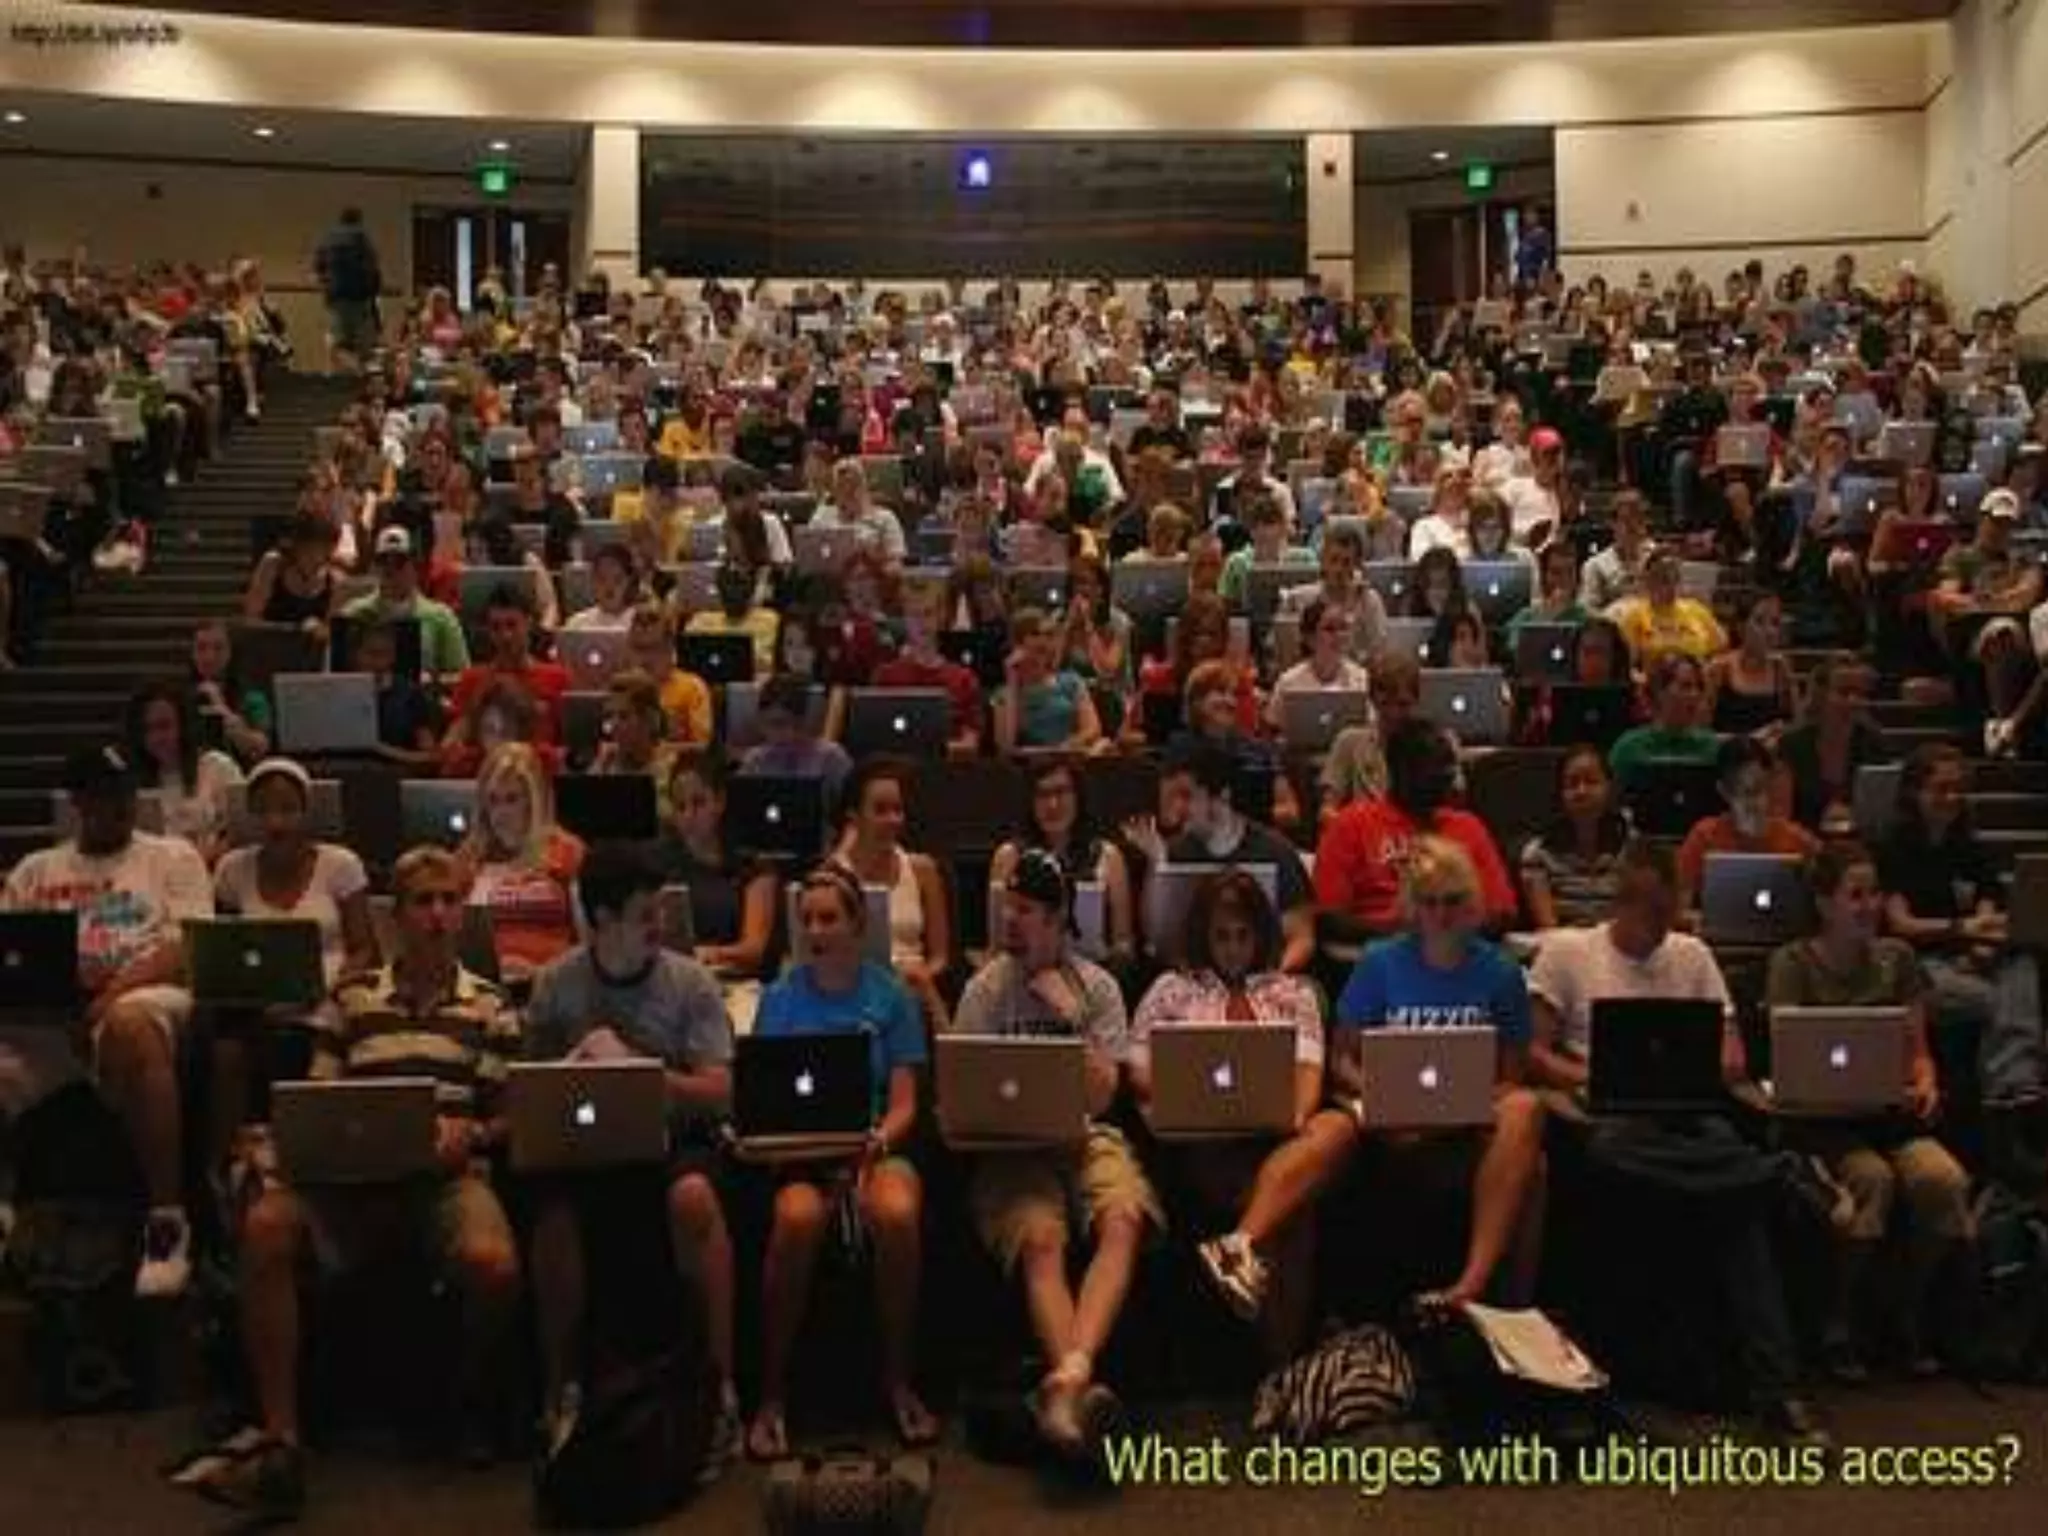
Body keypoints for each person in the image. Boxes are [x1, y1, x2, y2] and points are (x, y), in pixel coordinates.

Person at [185, 848, 521, 1518]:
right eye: (423, 902)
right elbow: (320, 1089)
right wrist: (304, 1136)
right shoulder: (352, 996)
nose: (437, 915)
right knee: (267, 1226)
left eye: (449, 901)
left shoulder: (490, 1001)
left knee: (494, 1264)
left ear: (462, 914)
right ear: (399, 916)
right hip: (350, 1178)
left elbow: (510, 1113)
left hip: (446, 1178)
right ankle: (281, 1439)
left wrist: (474, 1134)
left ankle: (467, 1401)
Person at [1526, 840, 1827, 1446]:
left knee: (1734, 1202)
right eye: (1654, 914)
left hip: (1686, 1113)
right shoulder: (1567, 953)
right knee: (1636, 1155)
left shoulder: (1692, 955)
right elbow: (1533, 1052)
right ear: (1622, 904)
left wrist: (1691, 1067)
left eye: (1672, 911)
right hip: (1606, 1114)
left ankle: (1778, 1390)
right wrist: (1593, 1074)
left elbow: (1733, 1057)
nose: (1665, 927)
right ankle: (1775, 1173)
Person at [523, 842, 742, 1474]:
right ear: (602, 920)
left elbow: (720, 1092)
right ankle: (561, 1393)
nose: (660, 925)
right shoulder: (556, 985)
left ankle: (720, 1390)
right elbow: (530, 1092)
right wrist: (576, 1068)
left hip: (675, 1140)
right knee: (554, 1217)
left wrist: (639, 1073)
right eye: (646, 914)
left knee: (694, 1199)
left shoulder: (690, 982)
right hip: (586, 1146)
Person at [946, 849, 1162, 1451]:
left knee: (1123, 1217)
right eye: (1007, 908)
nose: (1010, 922)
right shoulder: (986, 990)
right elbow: (961, 1097)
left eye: (1025, 911)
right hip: (1012, 1146)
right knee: (1042, 1239)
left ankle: (1069, 1379)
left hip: (1085, 1135)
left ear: (1058, 919)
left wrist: (1069, 1020)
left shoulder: (1098, 987)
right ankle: (1080, 1390)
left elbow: (1103, 1096)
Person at [1, 745, 213, 1298]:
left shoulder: (172, 856)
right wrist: (59, 994)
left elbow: (186, 947)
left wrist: (110, 992)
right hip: (55, 1015)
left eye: (122, 794)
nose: (114, 805)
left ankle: (166, 1223)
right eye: (99, 795)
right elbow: (12, 954)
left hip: (147, 996)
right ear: (77, 803)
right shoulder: (36, 870)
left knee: (129, 1023)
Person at [746, 864, 934, 1459]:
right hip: (802, 1152)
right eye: (806, 920)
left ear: (857, 925)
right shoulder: (779, 999)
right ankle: (772, 1393)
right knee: (797, 1218)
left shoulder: (891, 996)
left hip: (875, 1143)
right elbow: (763, 1100)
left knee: (896, 1212)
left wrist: (875, 1143)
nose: (815, 930)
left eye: (828, 918)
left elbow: (905, 1104)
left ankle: (899, 1379)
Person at [1764, 843, 1972, 1380]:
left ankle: (1905, 1308)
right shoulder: (1792, 964)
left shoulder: (1896, 959)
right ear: (1824, 903)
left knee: (1943, 1181)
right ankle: (1838, 1320)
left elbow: (1918, 1049)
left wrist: (1925, 1080)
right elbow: (1790, 1062)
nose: (1869, 906)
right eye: (1855, 895)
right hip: (1823, 1126)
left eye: (1874, 894)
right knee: (1871, 1180)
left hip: (1890, 1115)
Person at [1132, 870, 1354, 1357]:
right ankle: (1281, 1368)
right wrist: (1196, 1093)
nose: (1233, 949)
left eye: (1242, 936)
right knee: (1293, 1207)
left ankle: (1239, 1244)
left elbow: (1308, 1080)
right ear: (1202, 936)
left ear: (1260, 936)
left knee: (1336, 1126)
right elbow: (1139, 1072)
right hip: (1206, 1144)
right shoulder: (1172, 990)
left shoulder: (1292, 993)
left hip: (1278, 1137)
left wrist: (1286, 1114)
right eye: (1221, 937)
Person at [1330, 837, 1547, 1312]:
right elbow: (1341, 1059)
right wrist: (1379, 1089)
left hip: (1471, 1120)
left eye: (1453, 901)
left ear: (1472, 903)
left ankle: (1478, 1285)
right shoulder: (1379, 963)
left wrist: (1463, 1108)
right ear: (1412, 906)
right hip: (1395, 1118)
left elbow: (1512, 1075)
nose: (1442, 915)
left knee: (1527, 1114)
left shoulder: (1501, 973)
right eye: (1429, 902)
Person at [1316, 717, 1516, 938]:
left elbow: (1502, 913)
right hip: (1378, 946)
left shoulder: (1468, 825)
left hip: (1460, 945)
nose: (1447, 781)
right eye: (1434, 771)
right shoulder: (1351, 824)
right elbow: (1330, 918)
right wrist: (1410, 935)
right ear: (1400, 770)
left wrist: (1442, 932)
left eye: (1449, 771)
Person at [1149, 742, 1316, 973]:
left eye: (1187, 796)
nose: (1176, 809)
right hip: (1198, 982)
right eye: (1170, 798)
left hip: (1267, 977)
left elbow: (1301, 939)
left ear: (1221, 796)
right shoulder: (1176, 853)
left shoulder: (1276, 851)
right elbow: (1162, 941)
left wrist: (1273, 978)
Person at [213, 758, 376, 991]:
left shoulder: (342, 864)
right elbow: (223, 948)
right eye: (262, 810)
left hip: (332, 991)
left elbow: (364, 950)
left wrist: (338, 984)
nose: (275, 822)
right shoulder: (232, 868)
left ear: (306, 811)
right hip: (259, 993)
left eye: (287, 809)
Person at [827, 757, 953, 1028]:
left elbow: (940, 957)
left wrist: (922, 974)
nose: (893, 819)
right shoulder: (832, 875)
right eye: (881, 810)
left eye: (898, 810)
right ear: (854, 817)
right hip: (854, 991)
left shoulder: (923, 869)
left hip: (912, 989)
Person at [462, 743, 586, 984]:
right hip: (485, 989)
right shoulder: (468, 859)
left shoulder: (567, 852)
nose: (501, 813)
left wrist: (543, 974)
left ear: (533, 801)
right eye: (493, 801)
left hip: (553, 985)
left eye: (512, 800)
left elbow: (589, 945)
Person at [1677, 736, 1821, 917]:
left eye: (1764, 788)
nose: (1759, 802)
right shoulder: (1704, 838)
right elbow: (1680, 906)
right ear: (1725, 792)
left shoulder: (1798, 840)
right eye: (1747, 793)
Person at [125, 678, 245, 866]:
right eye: (148, 729)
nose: (157, 737)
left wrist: (203, 861)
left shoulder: (219, 767)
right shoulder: (131, 779)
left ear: (183, 725)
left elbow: (240, 832)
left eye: (164, 726)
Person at [445, 584, 571, 759]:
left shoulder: (558, 678)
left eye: (512, 625)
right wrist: (477, 707)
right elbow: (450, 747)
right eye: (496, 628)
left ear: (529, 623)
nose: (505, 636)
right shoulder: (471, 679)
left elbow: (570, 751)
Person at [1519, 744, 1631, 930]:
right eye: (1572, 784)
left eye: (1592, 782)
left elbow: (1637, 917)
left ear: (1609, 788)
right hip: (1564, 943)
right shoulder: (1537, 854)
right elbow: (1548, 927)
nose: (1582, 791)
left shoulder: (1635, 850)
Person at [1776, 653, 1890, 833]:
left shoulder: (1875, 744)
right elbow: (1781, 818)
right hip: (1804, 840)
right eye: (1844, 692)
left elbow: (1881, 817)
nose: (1853, 701)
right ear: (1820, 695)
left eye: (1860, 694)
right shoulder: (1792, 745)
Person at [341, 526, 470, 678]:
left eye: (399, 562)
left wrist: (431, 679)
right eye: (383, 562)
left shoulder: (441, 618)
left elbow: (462, 676)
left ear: (415, 568)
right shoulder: (352, 614)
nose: (390, 569)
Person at [995, 607, 1104, 754]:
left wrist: (1066, 747)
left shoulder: (1071, 682)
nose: (1043, 641)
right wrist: (1012, 679)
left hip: (1068, 756)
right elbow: (1006, 745)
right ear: (1019, 643)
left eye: (1048, 635)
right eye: (1035, 634)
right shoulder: (1004, 694)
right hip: (1029, 762)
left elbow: (1092, 729)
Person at [1607, 653, 1721, 795]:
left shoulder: (1711, 746)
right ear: (1658, 692)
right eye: (1685, 687)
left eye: (1699, 687)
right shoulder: (1629, 747)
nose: (1695, 694)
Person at [738, 672, 855, 802]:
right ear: (762, 722)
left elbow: (850, 806)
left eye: (798, 725)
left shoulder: (832, 758)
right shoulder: (755, 761)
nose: (789, 734)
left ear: (807, 721)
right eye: (778, 724)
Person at [1265, 595, 1372, 730]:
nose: (1339, 635)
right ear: (1310, 638)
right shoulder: (1288, 682)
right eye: (1330, 629)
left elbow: (1370, 725)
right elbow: (1272, 727)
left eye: (1343, 628)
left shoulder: (1361, 678)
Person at [1611, 549, 1729, 668]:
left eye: (1675, 578)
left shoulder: (1696, 609)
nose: (1671, 585)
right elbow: (1626, 663)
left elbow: (1721, 649)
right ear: (1649, 580)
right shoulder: (1635, 615)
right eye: (1664, 579)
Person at [1707, 591, 1798, 738]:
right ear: (1741, 627)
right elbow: (1701, 733)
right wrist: (1755, 737)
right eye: (1759, 622)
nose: (1769, 631)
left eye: (1775, 623)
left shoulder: (1780, 667)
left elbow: (1794, 724)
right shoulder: (1720, 668)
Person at [625, 603, 715, 746]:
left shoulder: (692, 687)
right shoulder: (620, 687)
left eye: (653, 649)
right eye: (639, 649)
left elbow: (702, 746)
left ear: (669, 648)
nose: (644, 659)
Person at [189, 618, 274, 766]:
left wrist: (221, 708)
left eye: (218, 648)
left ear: (230, 652)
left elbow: (260, 748)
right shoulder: (180, 697)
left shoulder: (252, 697)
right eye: (201, 648)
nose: (209, 657)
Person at [314, 205, 382, 372]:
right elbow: (373, 269)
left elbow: (318, 268)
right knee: (364, 347)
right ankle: (360, 372)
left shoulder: (328, 240)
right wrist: (374, 293)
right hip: (360, 300)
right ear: (358, 220)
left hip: (336, 300)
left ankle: (346, 375)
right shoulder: (362, 238)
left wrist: (327, 290)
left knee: (339, 344)